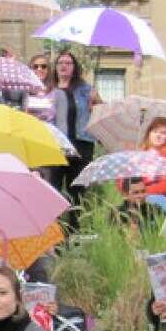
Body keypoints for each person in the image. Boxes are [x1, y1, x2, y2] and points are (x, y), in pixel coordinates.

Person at [47, 52, 102, 222]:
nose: (64, 66)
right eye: (60, 62)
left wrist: (96, 102)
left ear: (74, 67)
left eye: (68, 63)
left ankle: (74, 232)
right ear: (55, 67)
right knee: (52, 190)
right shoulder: (48, 90)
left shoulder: (86, 90)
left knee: (76, 191)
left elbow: (101, 113)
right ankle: (54, 233)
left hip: (80, 145)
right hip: (55, 146)